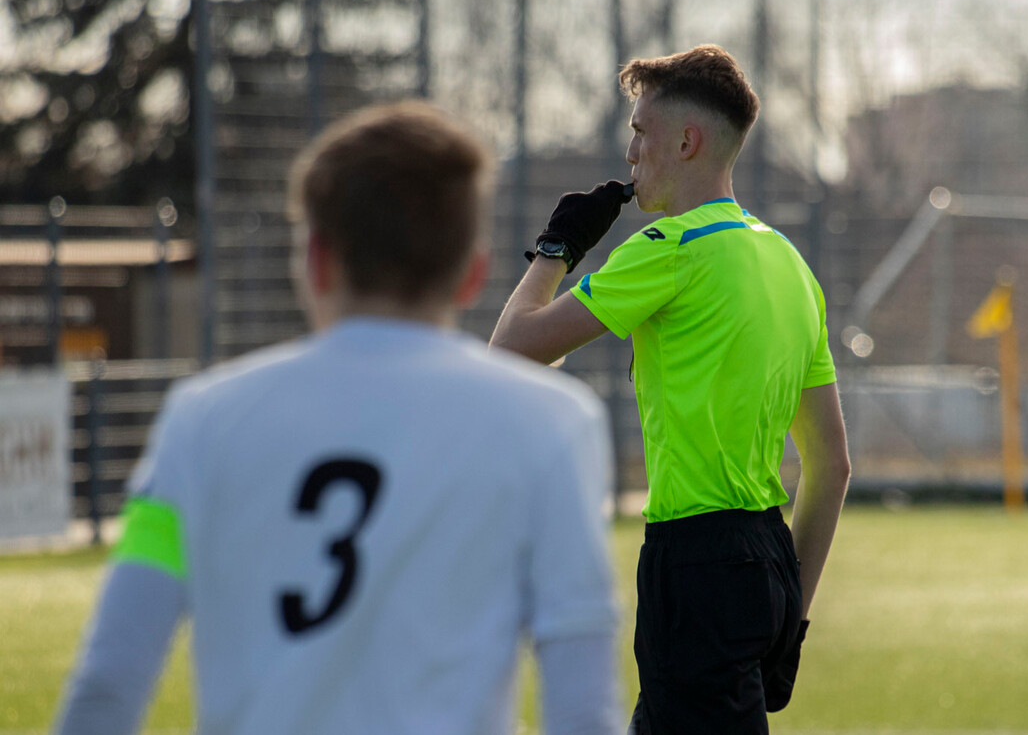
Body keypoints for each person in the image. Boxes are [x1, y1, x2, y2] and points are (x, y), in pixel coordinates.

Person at [55, 101, 621, 735]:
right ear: (473, 274)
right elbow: (582, 709)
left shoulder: (200, 420)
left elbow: (107, 687)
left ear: (316, 260)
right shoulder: (553, 423)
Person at [490, 45, 850, 733]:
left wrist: (557, 248)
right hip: (769, 560)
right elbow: (831, 466)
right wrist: (792, 612)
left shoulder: (668, 248)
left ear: (686, 142)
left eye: (639, 132)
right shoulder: (788, 262)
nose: (630, 153)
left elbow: (509, 352)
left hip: (698, 568)